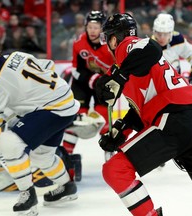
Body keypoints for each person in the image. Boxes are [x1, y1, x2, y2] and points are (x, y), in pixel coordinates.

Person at [95, 13, 192, 216]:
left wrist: (119, 75)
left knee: (115, 170)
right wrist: (121, 129)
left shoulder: (127, 47)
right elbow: (142, 108)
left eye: (107, 39)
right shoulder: (131, 64)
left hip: (174, 121)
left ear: (114, 38)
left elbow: (150, 48)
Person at [0, 35, 80, 215]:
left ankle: (28, 196)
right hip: (66, 104)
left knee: (8, 143)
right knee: (42, 155)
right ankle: (67, 187)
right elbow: (48, 66)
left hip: (52, 109)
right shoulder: (17, 55)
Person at [61, 10, 115, 181]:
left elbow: (118, 68)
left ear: (103, 28)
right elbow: (76, 69)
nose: (92, 30)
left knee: (106, 121)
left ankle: (111, 161)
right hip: (83, 83)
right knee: (76, 119)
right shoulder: (79, 43)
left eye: (96, 27)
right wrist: (90, 78)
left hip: (103, 84)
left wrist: (105, 81)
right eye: (90, 27)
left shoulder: (111, 44)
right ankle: (66, 161)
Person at [152, 13, 192, 85]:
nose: (162, 37)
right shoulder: (149, 46)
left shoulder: (177, 40)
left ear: (171, 32)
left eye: (165, 34)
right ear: (154, 32)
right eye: (159, 34)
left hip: (176, 87)